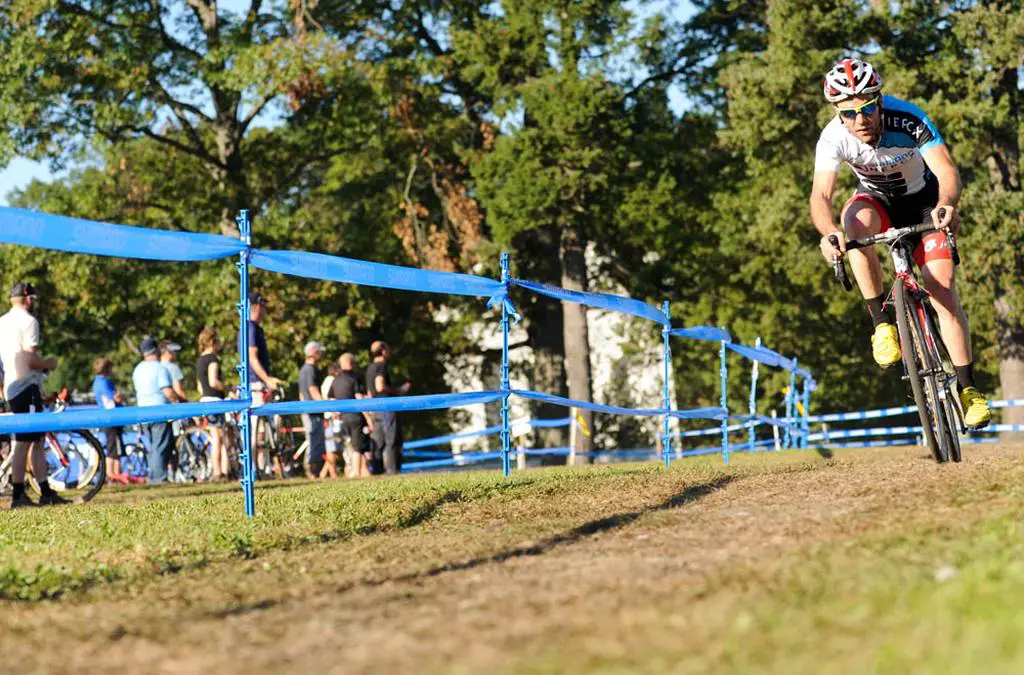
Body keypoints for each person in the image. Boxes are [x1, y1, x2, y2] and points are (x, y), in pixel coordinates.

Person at [810, 57, 990, 429]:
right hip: (877, 204)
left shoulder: (909, 118)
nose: (860, 120)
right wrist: (828, 232)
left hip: (925, 205)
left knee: (943, 291)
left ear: (879, 101)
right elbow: (820, 196)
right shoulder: (832, 137)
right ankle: (881, 323)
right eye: (849, 113)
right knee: (853, 224)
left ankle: (968, 388)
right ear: (837, 113)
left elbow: (946, 170)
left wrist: (946, 205)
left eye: (867, 109)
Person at [0, 282, 69, 507]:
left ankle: (45, 492)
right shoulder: (29, 322)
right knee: (25, 441)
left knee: (34, 440)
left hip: (12, 386)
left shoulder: (2, 322)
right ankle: (20, 493)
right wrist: (50, 363)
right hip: (25, 386)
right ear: (28, 299)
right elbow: (30, 360)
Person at [240, 291, 282, 475]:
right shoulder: (249, 328)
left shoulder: (255, 329)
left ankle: (262, 468)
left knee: (261, 431)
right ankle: (253, 469)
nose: (266, 310)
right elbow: (252, 358)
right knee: (255, 429)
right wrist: (267, 380)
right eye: (264, 306)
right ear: (256, 306)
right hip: (255, 385)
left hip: (258, 384)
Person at [133, 336, 184, 483]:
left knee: (154, 446)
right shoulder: (160, 368)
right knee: (160, 446)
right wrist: (178, 402)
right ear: (156, 350)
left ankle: (154, 475)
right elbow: (167, 391)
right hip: (160, 412)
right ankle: (158, 478)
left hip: (141, 413)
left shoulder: (137, 370)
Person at [366, 341, 411, 474]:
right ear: (384, 350)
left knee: (378, 441)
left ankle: (377, 471)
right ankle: (392, 471)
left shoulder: (370, 368)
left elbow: (370, 392)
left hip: (374, 407)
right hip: (385, 406)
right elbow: (380, 386)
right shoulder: (381, 367)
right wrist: (399, 391)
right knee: (390, 440)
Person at [330, 352, 374, 478]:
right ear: (352, 363)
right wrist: (368, 417)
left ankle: (360, 471)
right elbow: (359, 399)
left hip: (342, 418)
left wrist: (335, 414)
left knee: (349, 446)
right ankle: (355, 472)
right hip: (356, 417)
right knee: (358, 447)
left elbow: (331, 399)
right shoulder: (355, 378)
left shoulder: (336, 380)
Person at [196, 327, 229, 481]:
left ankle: (221, 470)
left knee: (215, 436)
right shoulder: (212, 359)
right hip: (215, 401)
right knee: (218, 437)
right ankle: (218, 471)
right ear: (213, 342)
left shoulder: (200, 361)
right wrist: (227, 388)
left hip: (204, 400)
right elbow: (213, 382)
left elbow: (200, 386)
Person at [92, 358, 129, 485]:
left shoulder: (96, 382)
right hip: (113, 418)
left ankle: (111, 476)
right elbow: (114, 399)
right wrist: (119, 396)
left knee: (111, 447)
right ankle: (114, 476)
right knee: (115, 450)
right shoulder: (105, 382)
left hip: (106, 419)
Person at [299, 341, 328, 478]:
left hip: (307, 409)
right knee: (314, 440)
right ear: (314, 353)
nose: (321, 355)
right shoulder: (310, 369)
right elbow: (312, 388)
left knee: (312, 439)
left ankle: (312, 469)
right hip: (313, 411)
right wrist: (324, 405)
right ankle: (312, 469)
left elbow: (301, 393)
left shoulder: (303, 369)